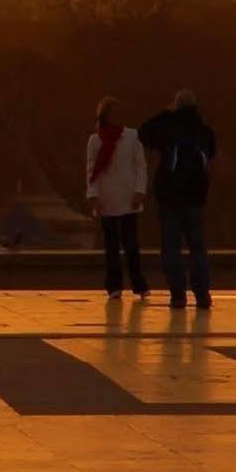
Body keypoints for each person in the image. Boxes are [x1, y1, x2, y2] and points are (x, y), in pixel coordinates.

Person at [139, 89, 218, 310]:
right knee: (198, 248)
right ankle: (202, 294)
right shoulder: (203, 131)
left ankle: (178, 295)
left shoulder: (169, 128)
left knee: (171, 247)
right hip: (196, 198)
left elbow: (143, 134)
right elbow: (211, 153)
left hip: (170, 198)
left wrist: (166, 113)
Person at [84, 97, 148, 300]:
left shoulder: (132, 136)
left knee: (131, 244)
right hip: (107, 197)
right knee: (111, 245)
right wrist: (93, 194)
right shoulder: (95, 140)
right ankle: (114, 286)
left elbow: (140, 166)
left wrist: (140, 190)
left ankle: (139, 285)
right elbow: (91, 170)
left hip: (129, 197)